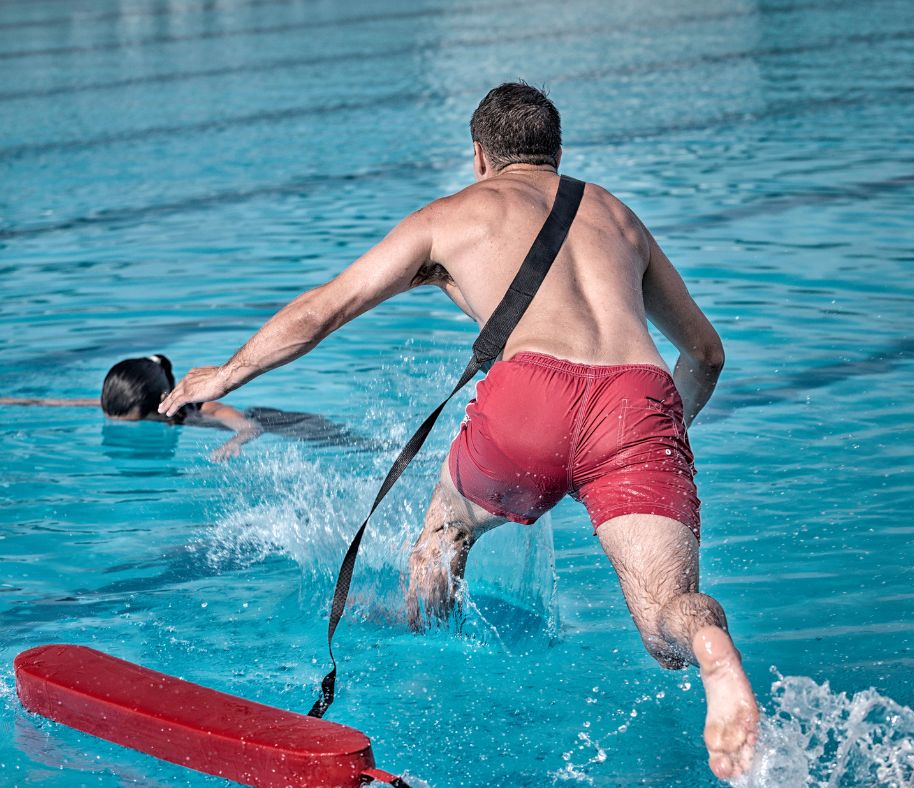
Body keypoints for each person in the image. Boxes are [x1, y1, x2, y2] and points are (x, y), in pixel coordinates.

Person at [158, 82, 759, 780]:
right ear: (557, 153)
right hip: (637, 400)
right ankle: (715, 654)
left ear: (479, 156)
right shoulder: (618, 216)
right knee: (665, 621)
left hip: (530, 395)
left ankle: (431, 654)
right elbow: (706, 354)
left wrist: (224, 376)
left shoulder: (450, 217)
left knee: (441, 540)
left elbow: (324, 310)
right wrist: (646, 439)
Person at [0, 354, 260, 461]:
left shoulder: (199, 408)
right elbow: (46, 403)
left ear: (160, 402)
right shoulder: (120, 404)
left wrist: (232, 443)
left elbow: (251, 427)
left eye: (133, 420)